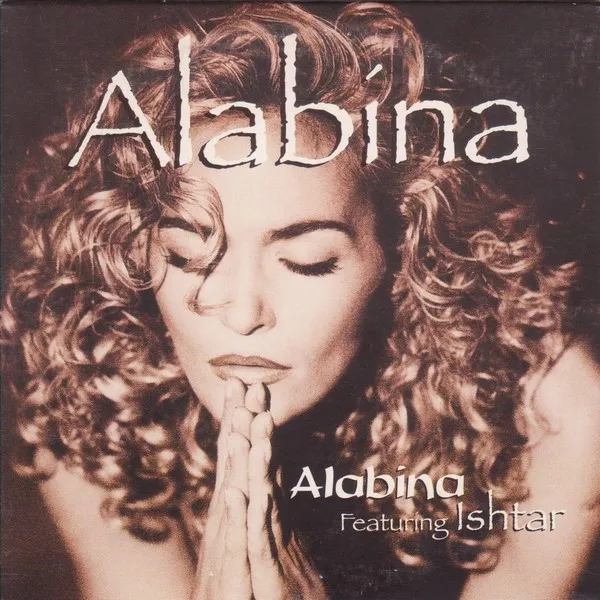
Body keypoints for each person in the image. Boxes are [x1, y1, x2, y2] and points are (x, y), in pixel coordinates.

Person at [2, 3, 599, 599]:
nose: (242, 316)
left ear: (403, 251)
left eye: (307, 261)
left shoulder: (556, 416)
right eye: (186, 254)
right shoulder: (83, 373)